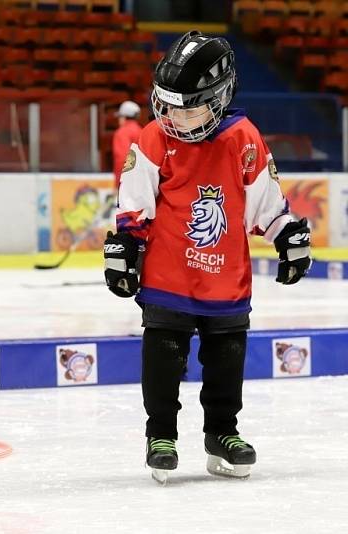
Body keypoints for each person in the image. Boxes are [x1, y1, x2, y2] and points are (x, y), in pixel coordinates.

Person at [103, 31, 311, 482]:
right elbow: (136, 200)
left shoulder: (243, 138)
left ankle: (222, 432)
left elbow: (265, 202)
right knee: (163, 355)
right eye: (167, 103)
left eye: (188, 105)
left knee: (227, 359)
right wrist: (128, 244)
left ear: (219, 97)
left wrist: (286, 233)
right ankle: (161, 434)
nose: (174, 114)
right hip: (168, 275)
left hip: (226, 279)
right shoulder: (155, 137)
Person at [112, 100, 142, 191]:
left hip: (127, 184)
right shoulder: (142, 131)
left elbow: (122, 159)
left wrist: (118, 184)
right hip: (142, 181)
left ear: (123, 117)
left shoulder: (122, 133)